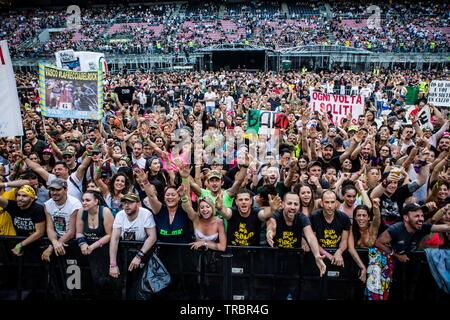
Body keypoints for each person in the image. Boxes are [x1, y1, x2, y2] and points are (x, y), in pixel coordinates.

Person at [373, 203, 450, 300]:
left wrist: (446, 208)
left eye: (422, 216)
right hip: (389, 266)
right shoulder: (396, 229)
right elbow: (378, 243)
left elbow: (446, 227)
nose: (421, 219)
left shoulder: (422, 227)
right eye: (417, 216)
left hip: (408, 265)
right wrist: (396, 255)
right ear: (406, 218)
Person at [109, 193, 157, 299]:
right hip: (125, 254)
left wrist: (139, 256)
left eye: (130, 202)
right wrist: (113, 264)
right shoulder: (120, 215)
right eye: (125, 203)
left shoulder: (146, 214)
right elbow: (114, 239)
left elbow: (152, 237)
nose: (127, 205)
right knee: (124, 285)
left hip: (142, 252)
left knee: (141, 286)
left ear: (138, 204)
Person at [266, 192, 326, 275]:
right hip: (274, 260)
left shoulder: (302, 218)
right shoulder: (276, 215)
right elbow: (271, 225)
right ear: (283, 204)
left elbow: (311, 237)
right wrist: (269, 233)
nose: (293, 207)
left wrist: (316, 255)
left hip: (293, 262)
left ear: (299, 206)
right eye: (289, 203)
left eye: (296, 204)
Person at [76, 190, 114, 297]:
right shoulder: (81, 211)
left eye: (87, 200)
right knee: (88, 282)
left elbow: (110, 235)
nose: (84, 202)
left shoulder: (105, 211)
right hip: (87, 250)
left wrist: (93, 246)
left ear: (96, 201)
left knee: (104, 283)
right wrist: (82, 243)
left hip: (104, 250)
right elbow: (78, 232)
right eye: (83, 200)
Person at [41, 178, 82, 262]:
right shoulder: (47, 204)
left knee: (73, 270)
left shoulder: (75, 204)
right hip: (56, 240)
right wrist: (54, 242)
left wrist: (52, 247)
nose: (54, 192)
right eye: (52, 189)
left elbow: (71, 231)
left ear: (66, 189)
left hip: (72, 241)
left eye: (58, 189)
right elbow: (50, 228)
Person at [0, 185, 45, 256]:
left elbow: (39, 232)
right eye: (18, 195)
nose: (20, 198)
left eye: (24, 196)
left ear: (32, 199)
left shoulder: (37, 209)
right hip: (18, 242)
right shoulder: (13, 206)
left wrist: (20, 245)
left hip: (36, 244)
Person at [309, 190, 351, 267]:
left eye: (332, 202)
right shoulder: (314, 217)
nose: (330, 206)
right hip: (319, 255)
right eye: (327, 202)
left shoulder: (344, 218)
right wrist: (327, 255)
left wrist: (339, 251)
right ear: (321, 203)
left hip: (338, 256)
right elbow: (313, 241)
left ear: (336, 203)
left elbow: (344, 241)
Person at [178, 187, 226, 252]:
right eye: (202, 207)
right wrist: (183, 196)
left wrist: (204, 243)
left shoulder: (219, 222)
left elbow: (222, 247)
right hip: (196, 254)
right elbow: (188, 208)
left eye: (207, 207)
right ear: (199, 210)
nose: (205, 210)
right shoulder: (195, 218)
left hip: (213, 257)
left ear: (212, 208)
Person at [348, 199, 381, 284]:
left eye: (364, 215)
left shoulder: (373, 227)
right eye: (358, 215)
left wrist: (376, 207)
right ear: (355, 217)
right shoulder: (351, 229)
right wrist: (362, 267)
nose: (361, 218)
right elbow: (351, 249)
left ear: (369, 217)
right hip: (356, 263)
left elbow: (377, 218)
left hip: (373, 264)